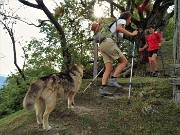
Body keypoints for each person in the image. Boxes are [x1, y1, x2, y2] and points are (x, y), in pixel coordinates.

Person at [91, 11, 138, 97]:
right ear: (127, 17)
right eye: (130, 19)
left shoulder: (115, 24)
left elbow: (119, 33)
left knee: (108, 68)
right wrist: (132, 34)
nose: (130, 21)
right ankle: (113, 79)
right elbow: (119, 29)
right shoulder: (121, 21)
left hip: (102, 45)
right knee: (124, 62)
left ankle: (103, 88)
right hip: (108, 42)